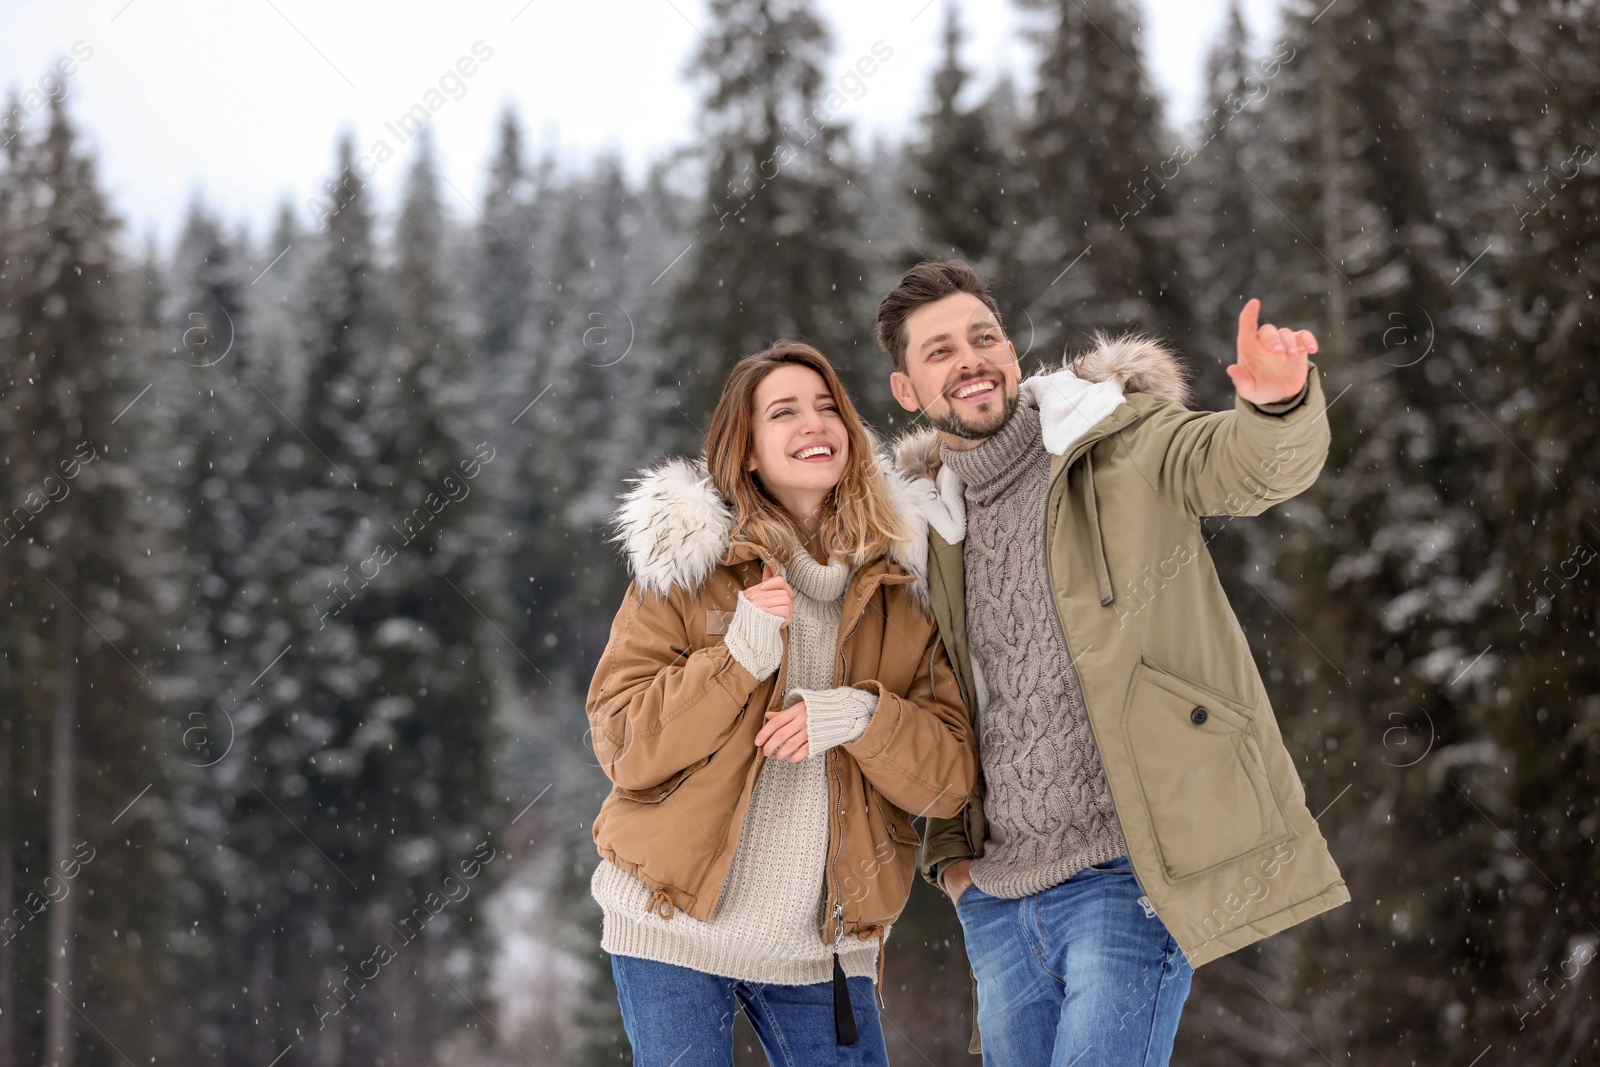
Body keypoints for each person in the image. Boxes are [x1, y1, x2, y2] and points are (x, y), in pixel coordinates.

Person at [875, 260, 1350, 1065]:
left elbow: (1246, 464)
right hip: (997, 899)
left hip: (1123, 875)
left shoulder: (1116, 439)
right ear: (907, 389)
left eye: (983, 336)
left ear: (1012, 349)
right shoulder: (925, 534)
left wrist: (1277, 404)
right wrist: (958, 867)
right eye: (940, 351)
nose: (970, 360)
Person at [586, 339, 978, 1066]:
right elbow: (624, 742)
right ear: (750, 451)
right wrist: (736, 661)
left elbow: (949, 774)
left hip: (825, 950)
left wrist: (857, 716)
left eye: (829, 406)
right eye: (785, 411)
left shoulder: (904, 583)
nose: (815, 423)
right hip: (671, 929)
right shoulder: (689, 567)